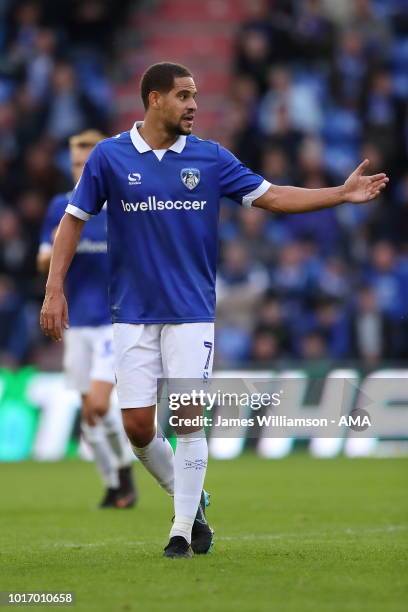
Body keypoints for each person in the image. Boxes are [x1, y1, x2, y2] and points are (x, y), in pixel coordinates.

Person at [40, 62, 389, 558]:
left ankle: (183, 529)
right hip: (132, 313)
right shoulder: (109, 157)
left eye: (196, 95)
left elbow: (273, 196)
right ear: (154, 99)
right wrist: (55, 289)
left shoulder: (210, 158)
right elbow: (72, 222)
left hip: (191, 312)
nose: (194, 105)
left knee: (187, 419)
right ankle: (192, 498)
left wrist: (340, 193)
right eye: (183, 95)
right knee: (138, 427)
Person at [37, 129, 137, 509]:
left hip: (113, 322)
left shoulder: (121, 206)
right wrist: (61, 250)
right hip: (76, 323)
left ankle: (124, 471)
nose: (81, 170)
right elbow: (43, 258)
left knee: (97, 405)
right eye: (76, 163)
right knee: (89, 416)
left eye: (87, 163)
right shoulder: (60, 208)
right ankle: (116, 482)